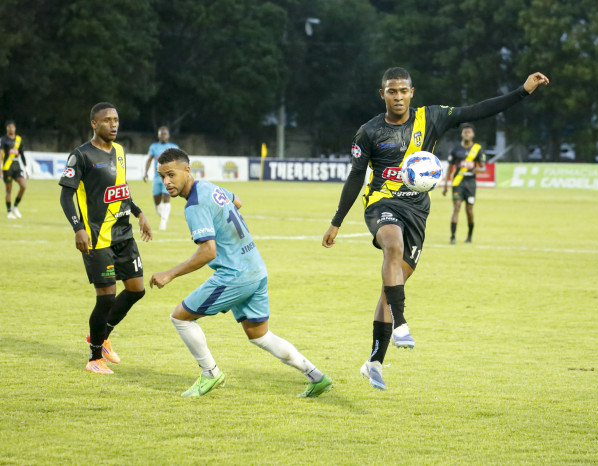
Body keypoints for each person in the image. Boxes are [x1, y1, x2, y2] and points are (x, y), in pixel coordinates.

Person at [322, 67, 549, 390]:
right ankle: (401, 323)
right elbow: (356, 177)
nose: (398, 97)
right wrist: (337, 222)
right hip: (381, 204)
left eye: (403, 91)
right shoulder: (368, 132)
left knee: (393, 283)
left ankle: (373, 361)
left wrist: (523, 91)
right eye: (391, 91)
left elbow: (478, 110)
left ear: (412, 92)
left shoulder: (432, 118)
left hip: (417, 211)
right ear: (382, 94)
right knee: (392, 245)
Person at [149, 148, 332, 398]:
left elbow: (208, 252)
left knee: (180, 317)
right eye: (162, 177)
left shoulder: (194, 204)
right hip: (255, 267)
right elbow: (237, 202)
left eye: (171, 174)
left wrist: (169, 274)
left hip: (234, 275)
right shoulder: (209, 188)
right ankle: (316, 376)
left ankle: (210, 374)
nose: (166, 182)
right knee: (259, 334)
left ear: (187, 170)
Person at [58, 102, 152, 374]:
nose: (114, 124)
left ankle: (101, 335)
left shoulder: (120, 152)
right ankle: (94, 358)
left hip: (124, 234)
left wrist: (139, 212)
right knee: (107, 297)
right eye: (107, 120)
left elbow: (121, 189)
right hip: (97, 238)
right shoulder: (81, 156)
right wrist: (78, 228)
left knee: (137, 290)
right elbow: (66, 195)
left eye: (116, 120)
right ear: (94, 124)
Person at [442, 123, 486, 244]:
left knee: (469, 210)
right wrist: (445, 186)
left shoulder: (477, 149)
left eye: (469, 132)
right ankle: (452, 237)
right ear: (462, 134)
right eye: (465, 132)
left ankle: (469, 236)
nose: (466, 133)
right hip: (458, 183)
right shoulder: (456, 149)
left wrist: (478, 169)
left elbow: (483, 168)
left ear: (473, 135)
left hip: (470, 184)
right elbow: (450, 168)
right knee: (456, 207)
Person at [144, 126, 179, 230]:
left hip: (169, 177)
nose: (163, 135)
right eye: (161, 133)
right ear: (158, 135)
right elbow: (149, 160)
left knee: (166, 197)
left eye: (165, 134)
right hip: (157, 177)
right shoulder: (154, 147)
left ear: (168, 135)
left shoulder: (174, 147)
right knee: (157, 202)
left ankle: (163, 222)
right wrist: (145, 173)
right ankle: (164, 215)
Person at [1, 120, 29, 219]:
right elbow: (1, 153)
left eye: (12, 127)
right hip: (7, 167)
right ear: (6, 128)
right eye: (9, 127)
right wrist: (0, 166)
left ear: (15, 128)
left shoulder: (19, 139)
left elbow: (22, 154)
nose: (11, 129)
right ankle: (9, 212)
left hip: (17, 167)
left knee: (23, 186)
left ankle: (15, 206)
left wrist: (26, 169)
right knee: (8, 190)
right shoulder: (3, 140)